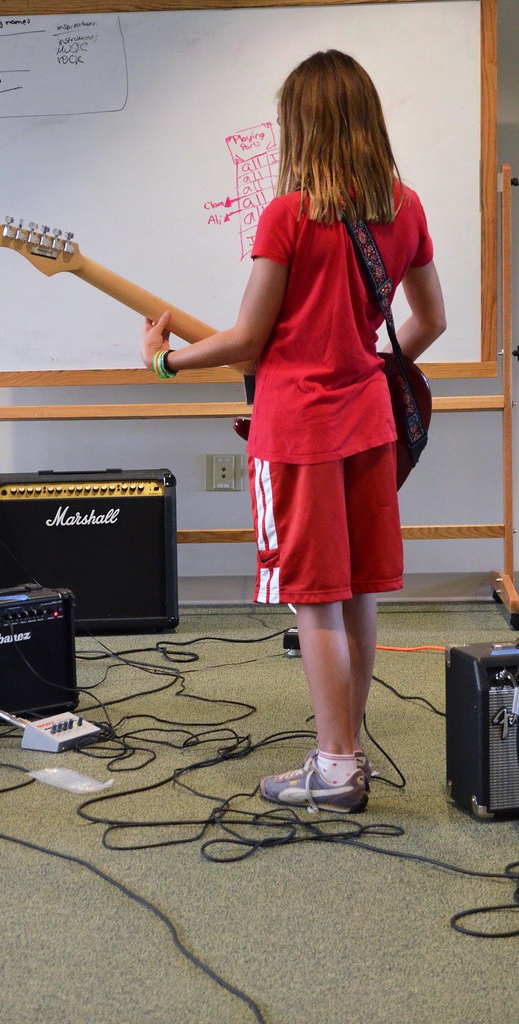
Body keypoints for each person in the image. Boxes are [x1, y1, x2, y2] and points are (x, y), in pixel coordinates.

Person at [140, 50, 446, 814]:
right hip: (370, 424)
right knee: (359, 593)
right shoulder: (405, 208)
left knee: (315, 599)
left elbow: (247, 340)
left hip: (299, 432)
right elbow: (432, 320)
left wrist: (165, 360)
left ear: (302, 126)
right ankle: (347, 749)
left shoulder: (288, 216)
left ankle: (336, 766)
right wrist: (364, 357)